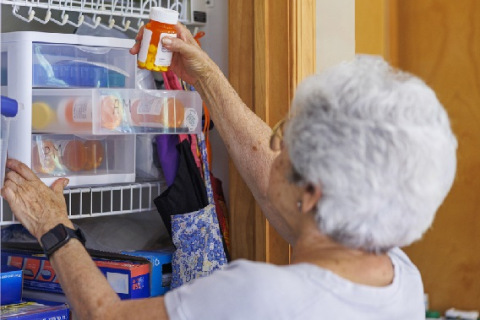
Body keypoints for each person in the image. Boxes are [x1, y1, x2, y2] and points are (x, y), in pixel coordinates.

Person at [2, 23, 457, 319]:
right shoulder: (401, 279)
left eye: (285, 145)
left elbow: (105, 317)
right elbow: (275, 185)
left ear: (314, 192)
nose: (274, 149)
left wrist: (54, 227)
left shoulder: (260, 297)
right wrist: (205, 79)